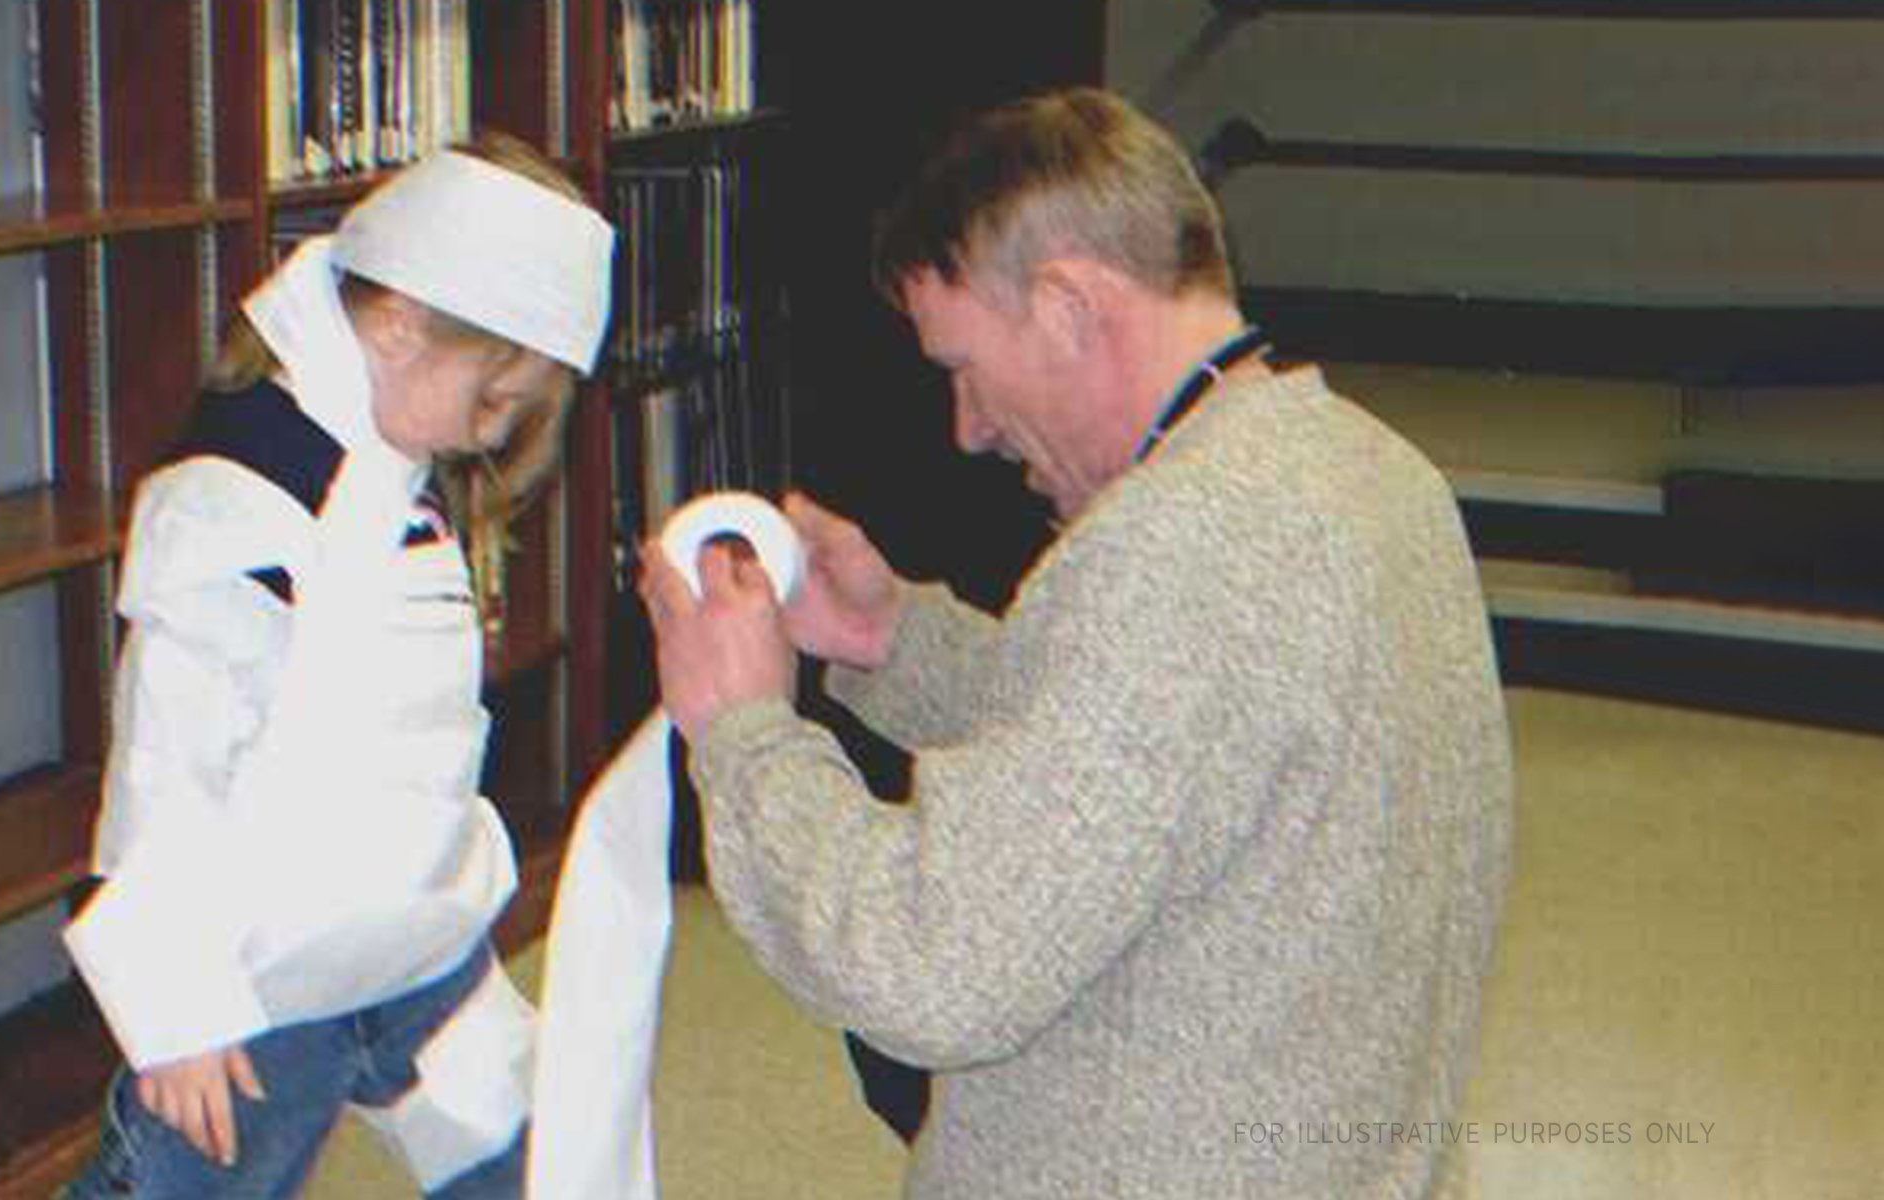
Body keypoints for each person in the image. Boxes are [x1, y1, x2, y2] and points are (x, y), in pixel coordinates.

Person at [640, 86, 1513, 1198]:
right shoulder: (1373, 473)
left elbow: (930, 963)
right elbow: (1151, 763)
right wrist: (888, 639)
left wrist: (743, 731)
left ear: (1065, 307)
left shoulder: (1173, 548)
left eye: (963, 367)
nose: (967, 429)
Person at [59, 132, 613, 1200]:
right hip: (267, 986)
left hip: (412, 946)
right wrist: (176, 1010)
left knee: (541, 1162)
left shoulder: (394, 471)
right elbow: (163, 767)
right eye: (491, 400)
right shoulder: (240, 504)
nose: (486, 436)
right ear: (400, 326)